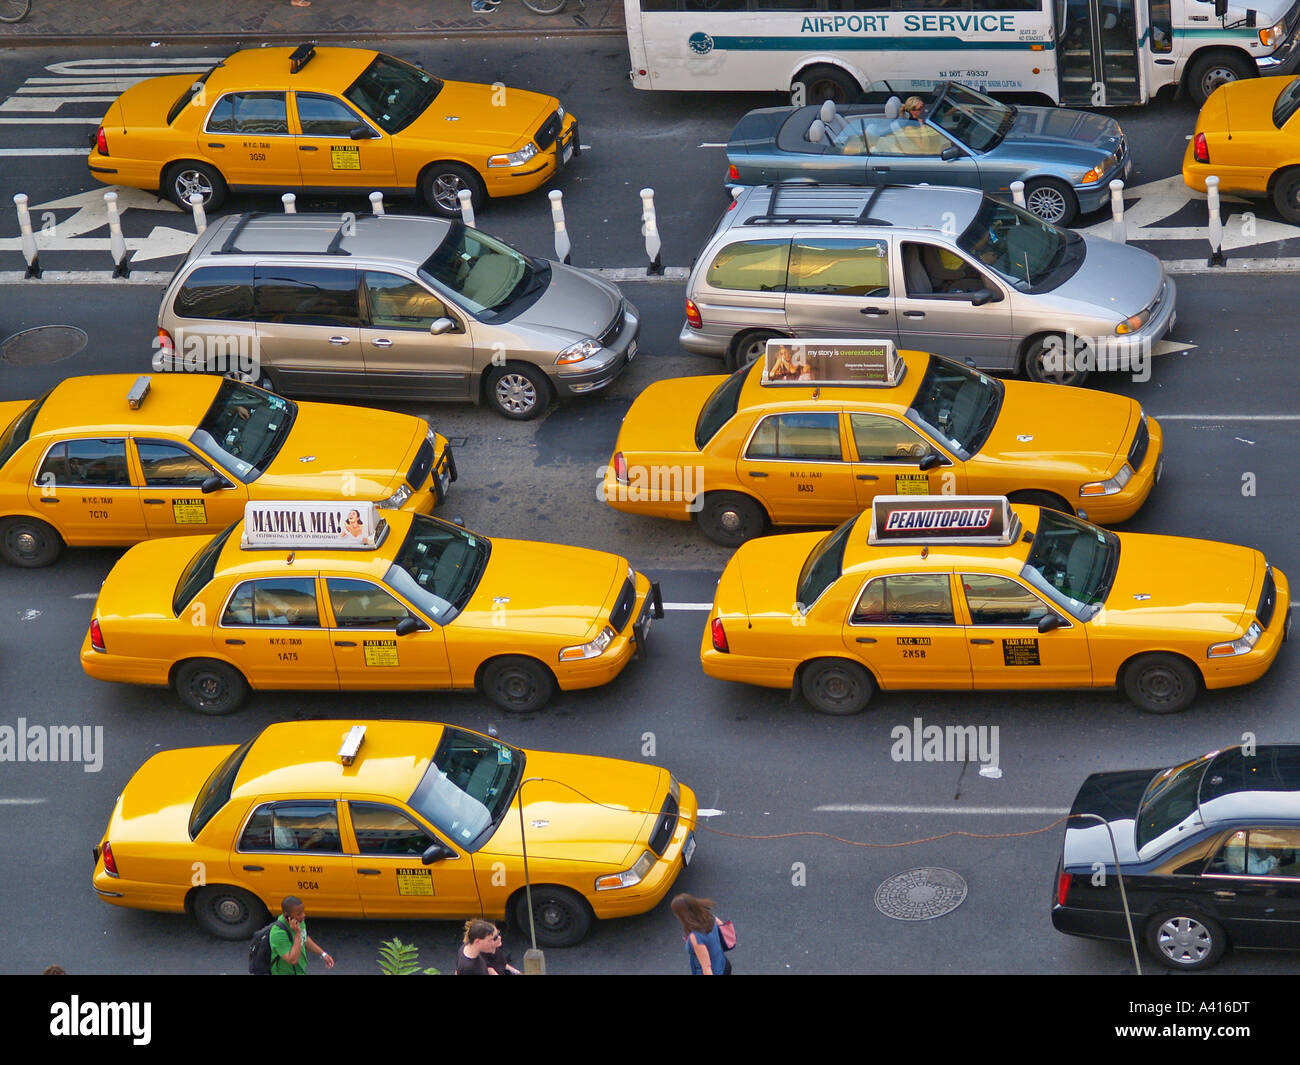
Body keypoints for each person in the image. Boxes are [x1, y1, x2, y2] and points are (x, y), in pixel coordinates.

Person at [269, 896, 334, 975]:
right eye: (299, 914)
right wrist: (297, 934)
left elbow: (304, 938)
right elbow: (292, 960)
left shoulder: (298, 921)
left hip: (299, 971)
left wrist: (323, 954)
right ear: (287, 915)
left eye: (303, 911)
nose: (303, 915)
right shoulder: (278, 933)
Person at [670, 893, 730, 975]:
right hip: (724, 964)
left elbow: (706, 966)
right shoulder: (709, 916)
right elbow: (723, 929)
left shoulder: (695, 937)